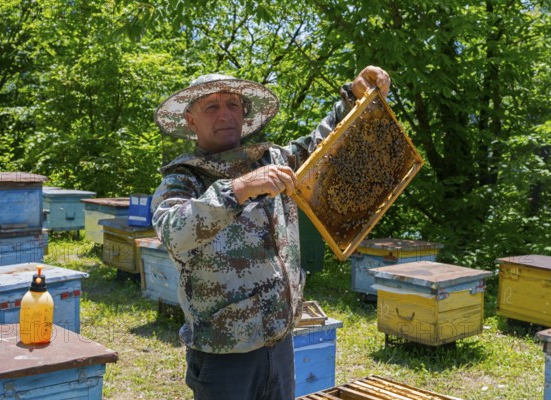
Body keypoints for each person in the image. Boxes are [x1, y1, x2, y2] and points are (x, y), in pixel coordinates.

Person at [151, 66, 391, 400]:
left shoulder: (272, 159)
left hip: (280, 340)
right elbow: (174, 231)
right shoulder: (183, 181)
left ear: (245, 114)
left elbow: (320, 147)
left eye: (233, 105)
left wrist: (354, 97)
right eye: (212, 106)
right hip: (224, 355)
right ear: (191, 120)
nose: (225, 114)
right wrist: (238, 189)